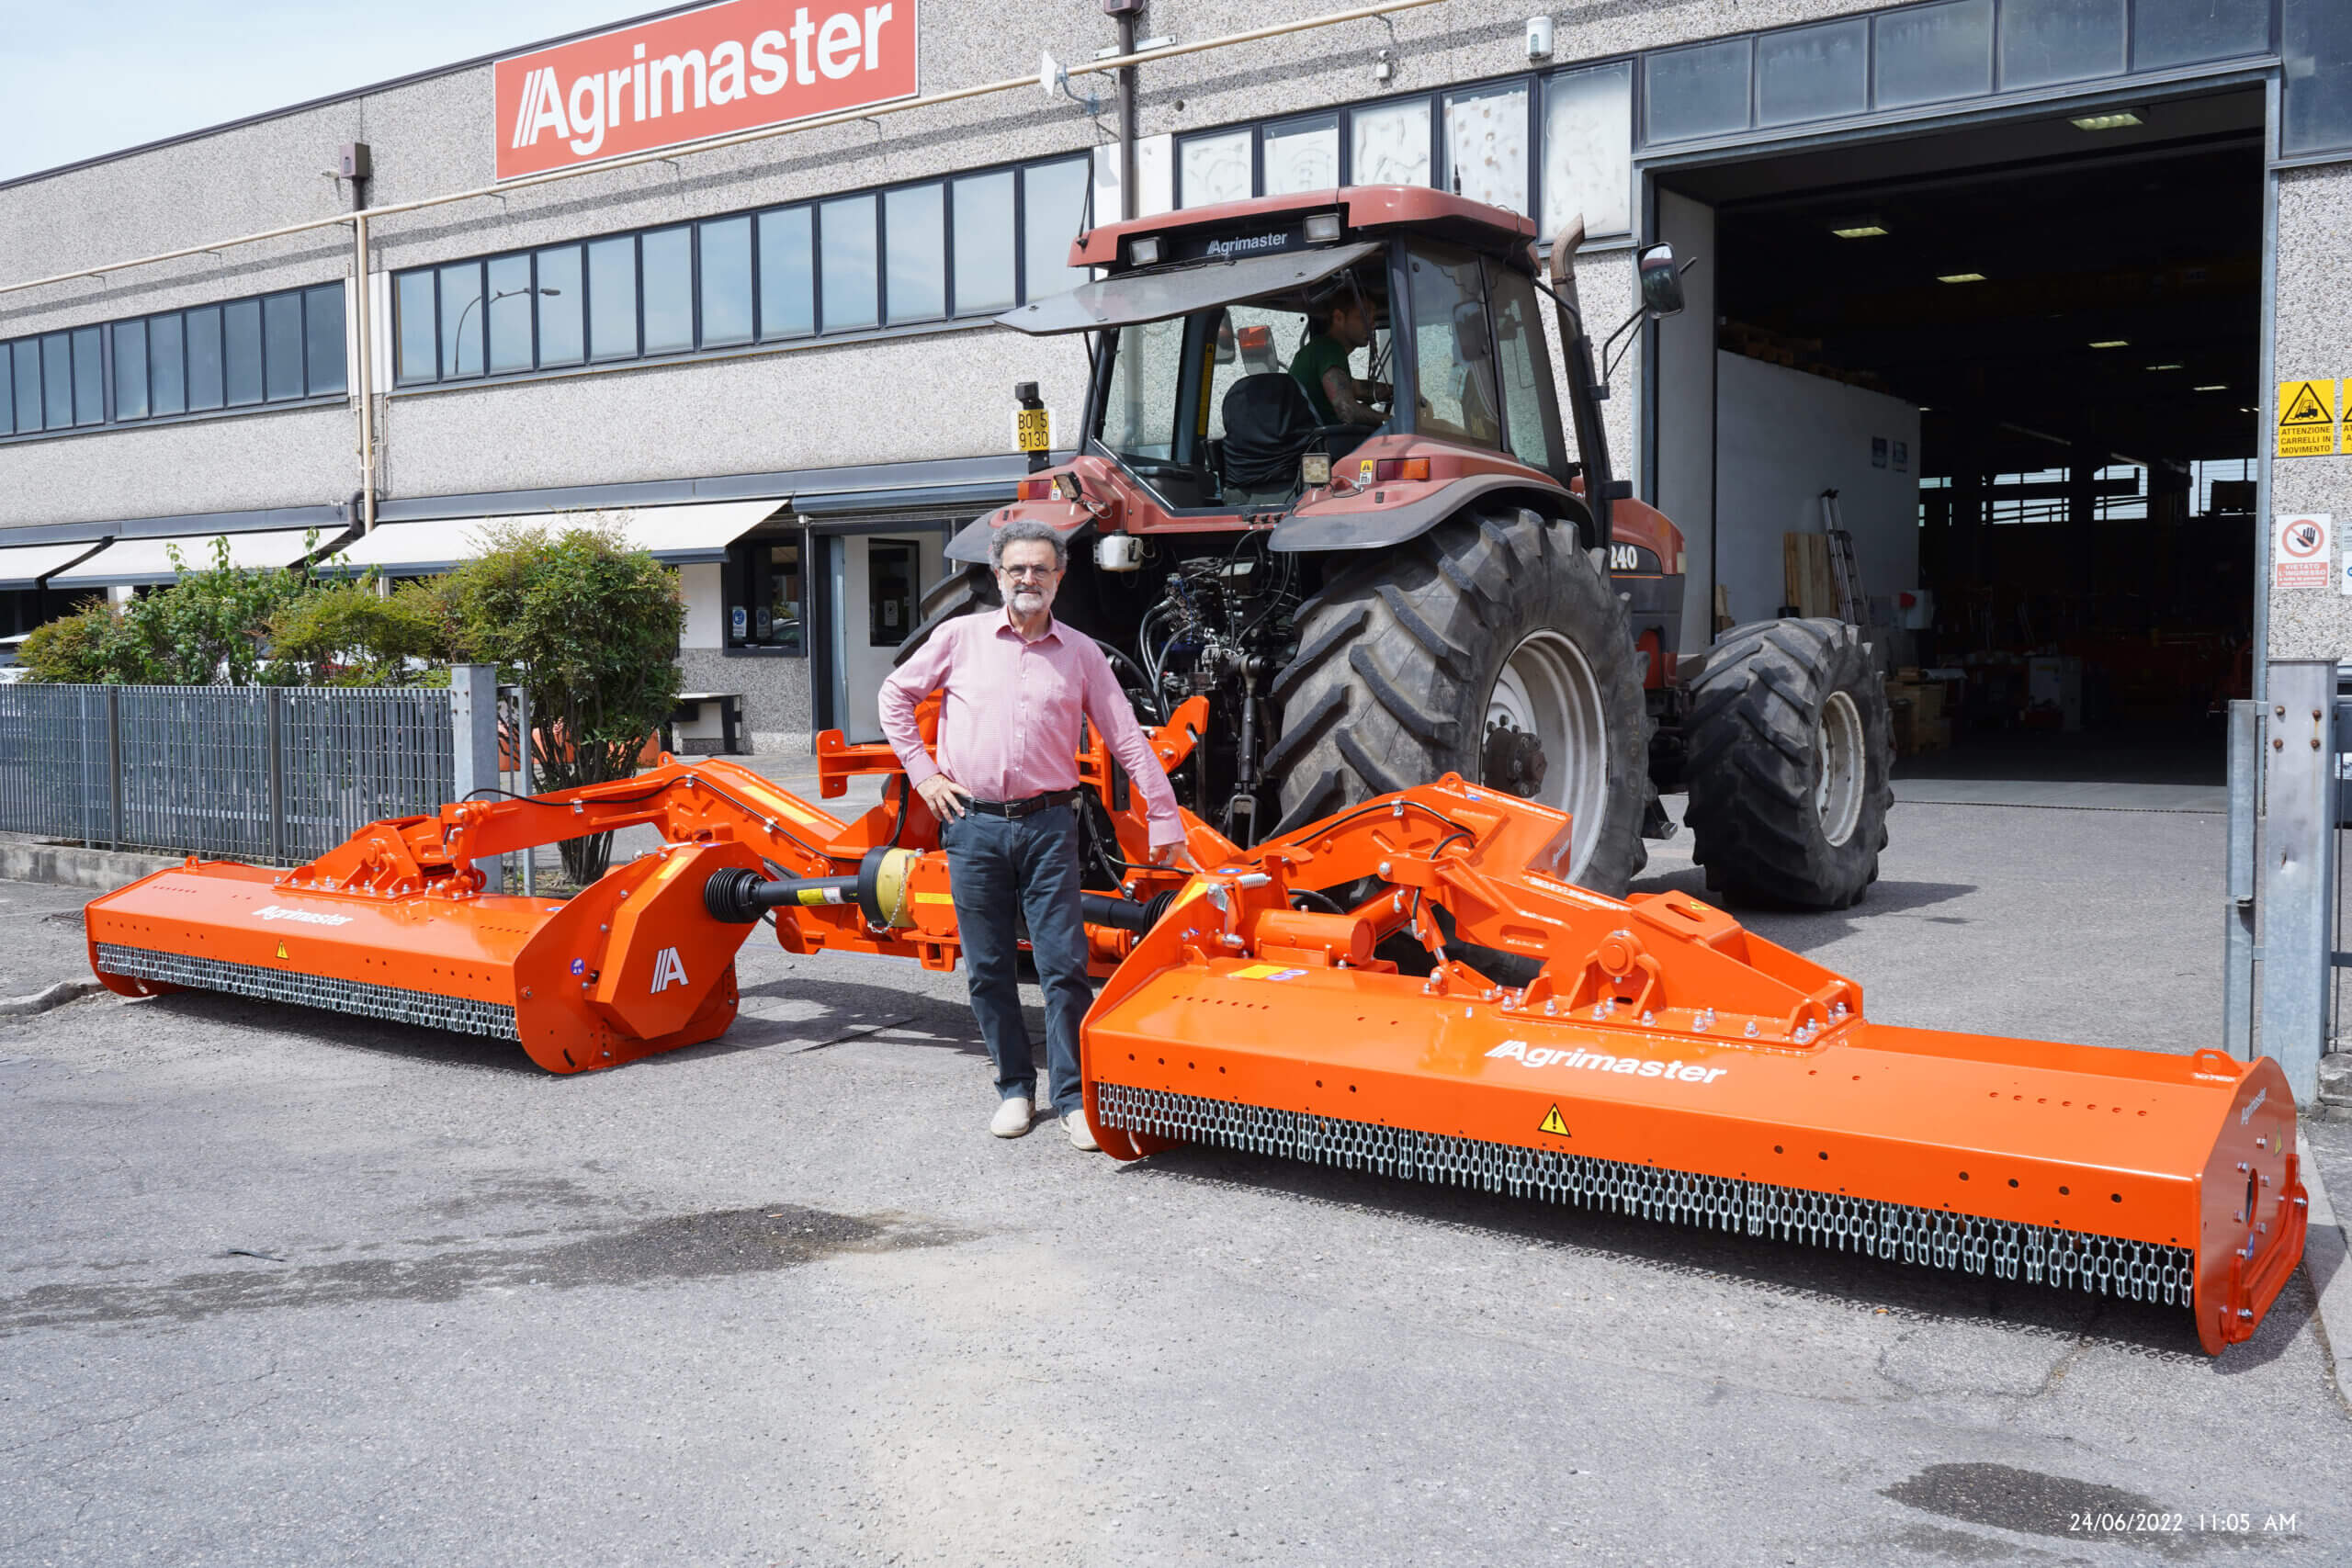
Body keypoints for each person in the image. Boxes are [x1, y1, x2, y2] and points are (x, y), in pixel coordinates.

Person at [878, 519, 1186, 1150]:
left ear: (1059, 577)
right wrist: (925, 774)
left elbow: (1127, 736)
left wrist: (1163, 815)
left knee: (1064, 966)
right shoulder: (959, 637)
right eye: (1016, 569)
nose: (1028, 579)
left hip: (1049, 826)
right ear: (997, 576)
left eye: (1040, 569)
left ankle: (1072, 1098)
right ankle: (1015, 1087)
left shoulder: (1081, 653)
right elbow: (894, 696)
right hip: (973, 824)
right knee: (989, 967)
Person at [1289, 290, 1391, 426]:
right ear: (1338, 318)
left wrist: (1394, 391)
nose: (1372, 325)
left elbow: (1356, 388)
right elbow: (1347, 410)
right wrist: (1390, 420)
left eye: (1373, 319)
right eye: (1364, 317)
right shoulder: (1329, 349)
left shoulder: (1317, 350)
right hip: (1327, 444)